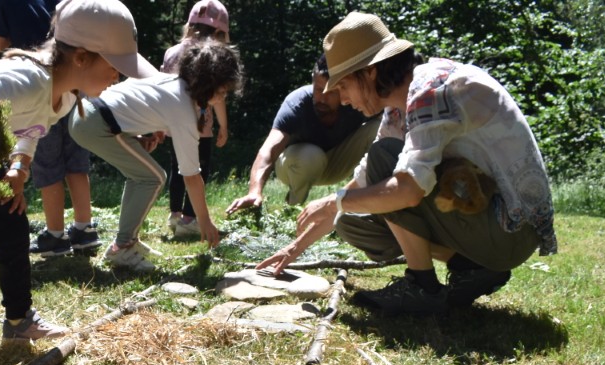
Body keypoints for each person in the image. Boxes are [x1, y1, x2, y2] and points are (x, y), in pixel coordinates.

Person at [255, 11, 557, 315]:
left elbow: (408, 189)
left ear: (369, 73)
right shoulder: (401, 105)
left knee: (382, 161)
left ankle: (421, 286)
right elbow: (361, 182)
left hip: (509, 231)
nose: (342, 99)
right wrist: (297, 247)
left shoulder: (430, 91)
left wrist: (336, 201)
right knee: (350, 221)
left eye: (343, 87)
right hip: (491, 226)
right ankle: (473, 269)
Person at [0, 0, 154, 365]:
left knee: (12, 232)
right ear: (80, 58)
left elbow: (29, 129)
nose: (118, 77)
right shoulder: (22, 80)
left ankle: (18, 322)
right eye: (114, 67)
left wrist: (19, 166)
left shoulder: (67, 94)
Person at [70, 37, 243, 273]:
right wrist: (204, 220)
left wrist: (142, 133)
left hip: (90, 115)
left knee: (142, 175)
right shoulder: (183, 109)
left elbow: (135, 99)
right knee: (153, 177)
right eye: (222, 91)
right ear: (207, 85)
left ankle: (128, 240)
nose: (223, 98)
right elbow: (191, 176)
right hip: (94, 121)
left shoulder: (174, 83)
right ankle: (121, 248)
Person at [0, 0, 102, 258]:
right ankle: (84, 230)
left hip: (38, 85)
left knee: (47, 164)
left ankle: (55, 235)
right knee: (76, 160)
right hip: (74, 80)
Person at [225, 54, 379, 214]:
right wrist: (254, 191)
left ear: (344, 88)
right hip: (294, 166)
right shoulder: (296, 103)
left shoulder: (354, 101)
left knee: (379, 126)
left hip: (336, 164)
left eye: (331, 92)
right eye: (318, 89)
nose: (322, 98)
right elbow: (268, 150)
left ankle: (372, 204)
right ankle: (292, 211)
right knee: (311, 155)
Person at [162, 0, 231, 240]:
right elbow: (218, 97)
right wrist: (223, 125)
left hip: (171, 123)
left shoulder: (172, 52)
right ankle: (190, 219)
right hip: (199, 126)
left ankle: (175, 213)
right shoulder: (212, 55)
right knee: (197, 171)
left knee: (177, 169)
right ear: (221, 32)